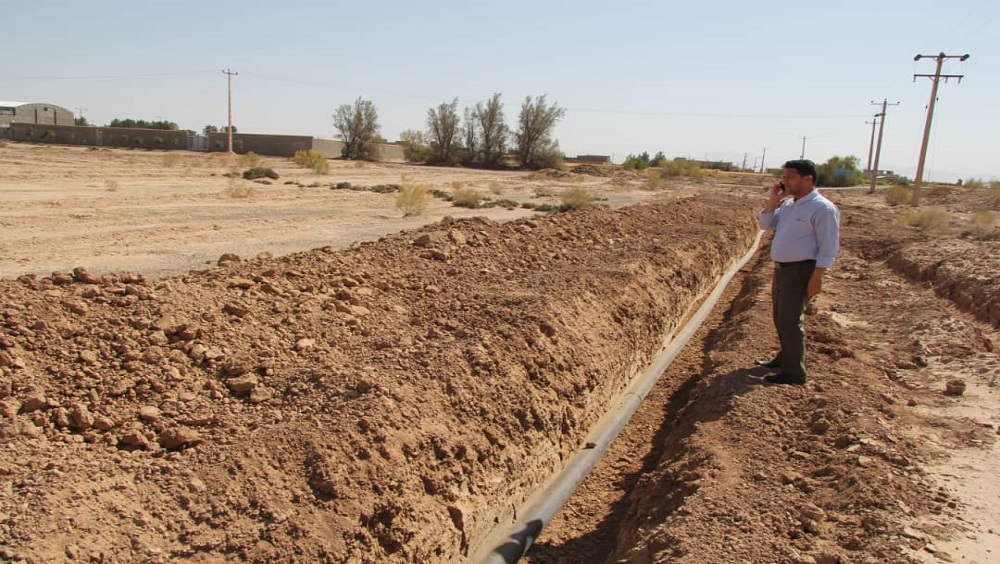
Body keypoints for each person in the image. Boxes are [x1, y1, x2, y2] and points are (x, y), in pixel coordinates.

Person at [756, 159, 840, 385]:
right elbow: (765, 224)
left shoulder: (823, 208)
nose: (785, 181)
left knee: (790, 320)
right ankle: (784, 358)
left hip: (801, 270)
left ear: (808, 179)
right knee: (780, 318)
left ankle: (795, 372)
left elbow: (828, 246)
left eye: (790, 177)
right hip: (783, 270)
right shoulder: (789, 205)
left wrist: (818, 276)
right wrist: (773, 200)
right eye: (784, 176)